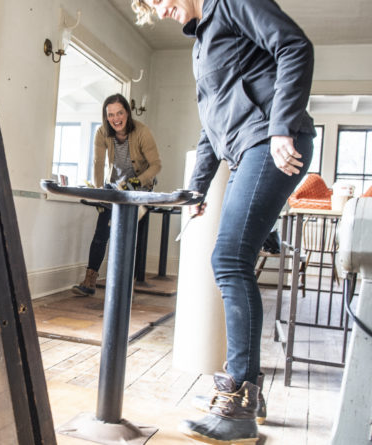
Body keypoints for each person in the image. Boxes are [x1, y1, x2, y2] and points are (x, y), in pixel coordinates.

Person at [131, 0, 315, 443]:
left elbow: (295, 46)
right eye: (151, 6)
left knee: (230, 259)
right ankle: (246, 389)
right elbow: (210, 127)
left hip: (269, 142)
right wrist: (196, 190)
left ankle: (239, 403)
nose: (161, 10)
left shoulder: (229, 3)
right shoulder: (202, 43)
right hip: (247, 148)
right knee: (232, 259)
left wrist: (281, 126)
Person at [72, 93, 161, 296]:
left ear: (127, 113)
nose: (116, 119)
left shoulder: (142, 132)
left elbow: (156, 165)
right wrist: (98, 193)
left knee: (130, 237)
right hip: (115, 187)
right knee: (101, 233)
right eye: (110, 114)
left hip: (140, 188)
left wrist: (137, 182)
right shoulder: (102, 132)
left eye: (119, 113)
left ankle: (126, 285)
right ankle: (89, 282)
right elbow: (97, 163)